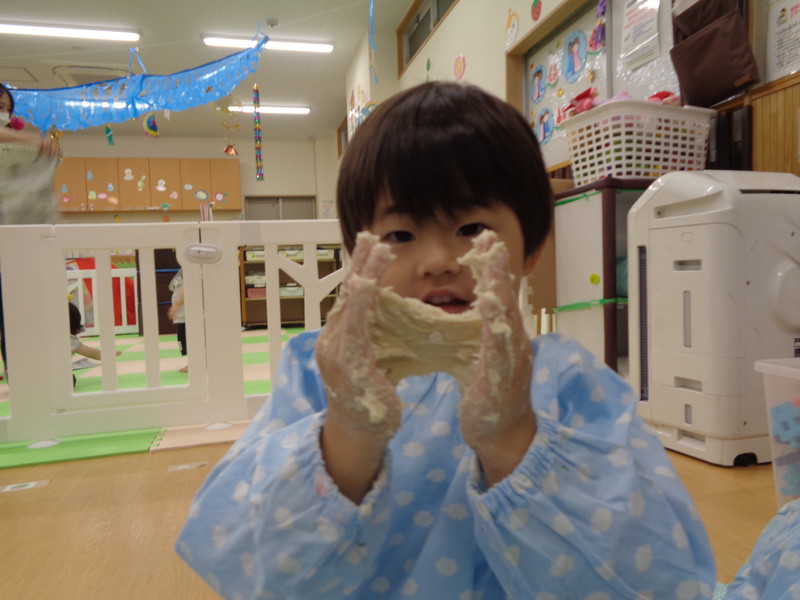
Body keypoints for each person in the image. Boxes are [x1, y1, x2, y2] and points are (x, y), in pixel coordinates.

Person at [176, 82, 719, 599]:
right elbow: (250, 568)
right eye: (400, 235)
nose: (437, 260)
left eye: (472, 230)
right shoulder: (321, 373)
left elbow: (656, 578)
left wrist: (512, 437)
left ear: (531, 248)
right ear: (358, 254)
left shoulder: (568, 380)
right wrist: (348, 434)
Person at [0, 83, 60, 380]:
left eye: (6, 109)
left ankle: (24, 371)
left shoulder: (14, 148)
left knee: (16, 307)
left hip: (13, 235)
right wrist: (32, 141)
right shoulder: (18, 140)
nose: (4, 113)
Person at [167, 269, 188, 373]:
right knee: (184, 340)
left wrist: (176, 306)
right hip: (182, 316)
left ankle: (195, 363)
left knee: (188, 340)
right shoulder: (182, 271)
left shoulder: (190, 269)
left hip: (186, 314)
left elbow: (186, 288)